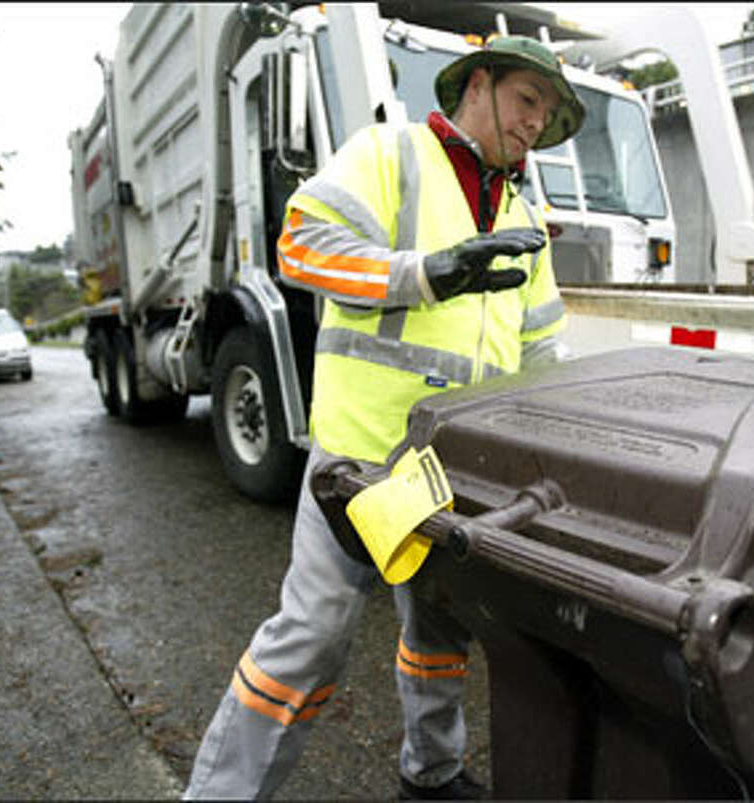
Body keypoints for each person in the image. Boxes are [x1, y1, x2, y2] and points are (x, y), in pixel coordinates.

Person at [184, 35, 584, 800]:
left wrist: (561, 438)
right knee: (311, 639)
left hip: (449, 468)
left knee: (439, 634)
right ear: (480, 84)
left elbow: (539, 348)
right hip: (362, 459)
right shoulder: (390, 153)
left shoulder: (522, 217)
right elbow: (301, 246)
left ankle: (429, 772)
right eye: (528, 100)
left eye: (550, 113)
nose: (537, 123)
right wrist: (426, 273)